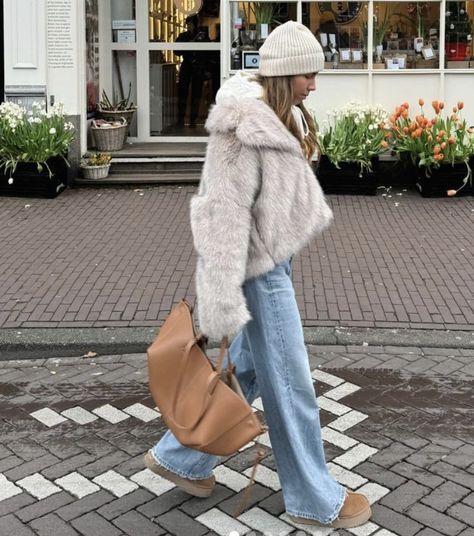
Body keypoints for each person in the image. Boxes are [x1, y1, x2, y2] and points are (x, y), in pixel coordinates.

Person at [145, 21, 372, 529]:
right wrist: (221, 298)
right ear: (286, 72)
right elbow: (221, 211)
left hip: (272, 261)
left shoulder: (277, 115)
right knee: (290, 381)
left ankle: (180, 458)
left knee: (247, 370)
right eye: (308, 74)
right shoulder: (241, 124)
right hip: (258, 270)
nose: (314, 84)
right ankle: (314, 498)